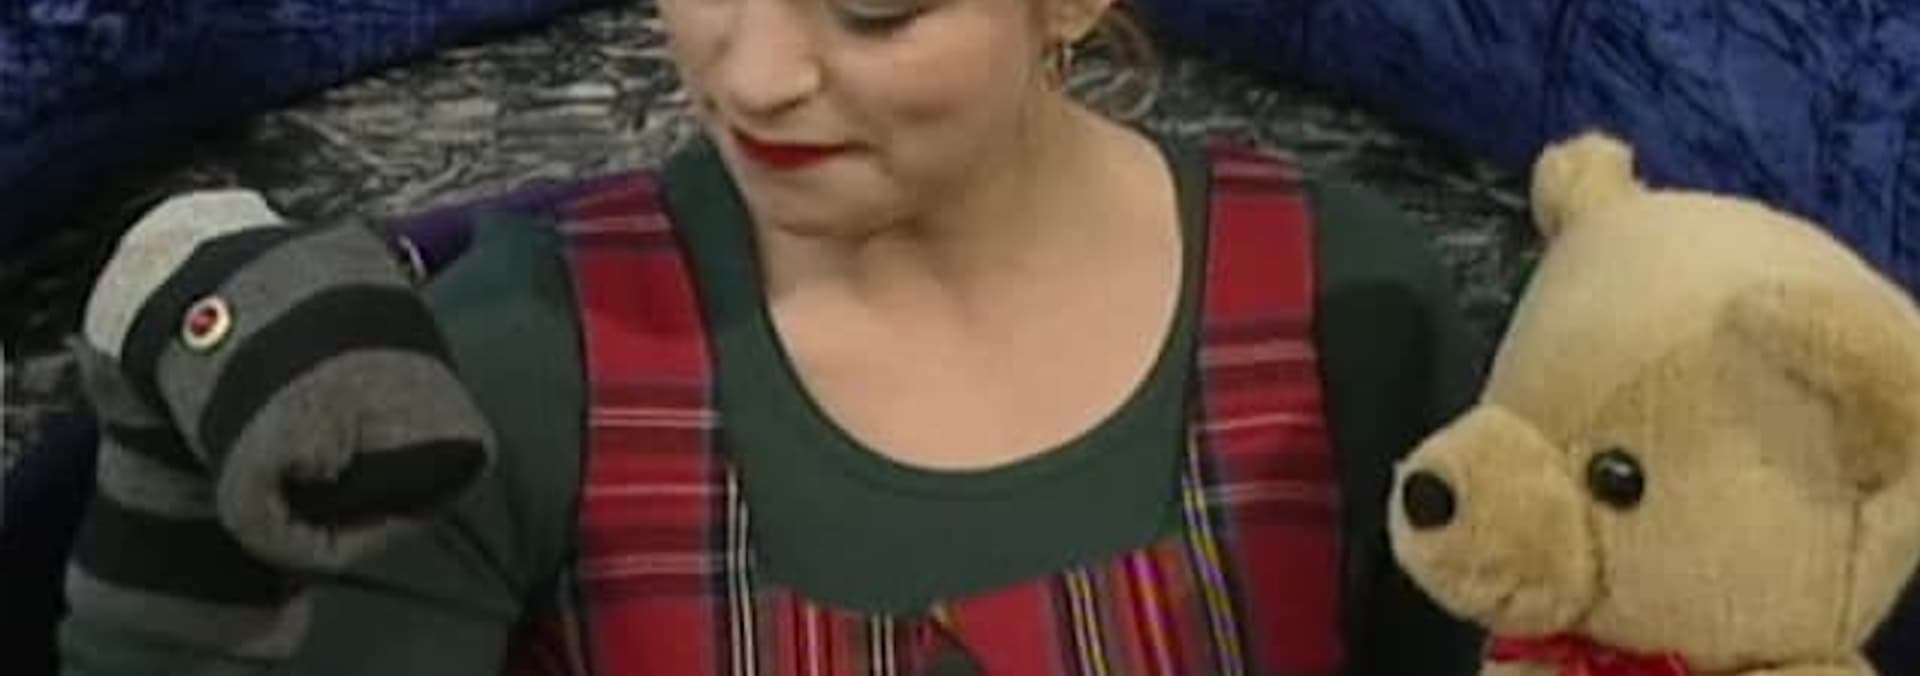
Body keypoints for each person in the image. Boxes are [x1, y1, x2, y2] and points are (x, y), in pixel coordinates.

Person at [57, 0, 1487, 673]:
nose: (752, 74)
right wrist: (163, 520)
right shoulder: (523, 355)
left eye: (871, 9)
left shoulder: (1348, 311)